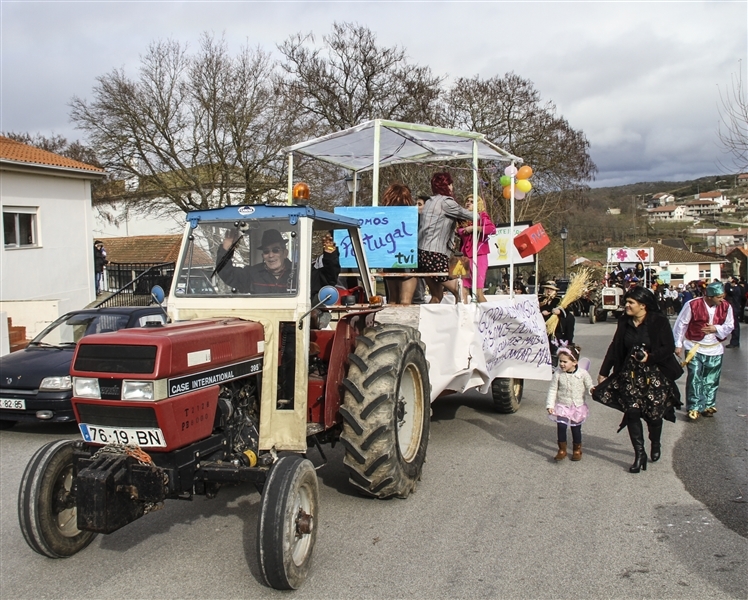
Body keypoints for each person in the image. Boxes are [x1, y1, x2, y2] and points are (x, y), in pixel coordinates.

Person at [595, 287, 683, 473]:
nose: (626, 305)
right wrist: (604, 370)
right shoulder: (624, 321)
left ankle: (655, 442)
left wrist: (649, 357)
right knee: (632, 412)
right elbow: (615, 346)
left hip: (655, 375)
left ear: (643, 305)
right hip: (630, 375)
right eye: (626, 302)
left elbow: (668, 347)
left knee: (654, 416)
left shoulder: (658, 321)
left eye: (630, 303)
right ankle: (639, 454)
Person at [672, 281, 735, 420]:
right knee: (695, 377)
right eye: (719, 297)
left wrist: (716, 329)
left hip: (715, 348)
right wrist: (678, 344)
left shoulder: (726, 306)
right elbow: (681, 324)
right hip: (695, 346)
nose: (722, 299)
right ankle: (694, 407)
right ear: (710, 296)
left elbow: (730, 325)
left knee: (711, 379)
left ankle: (708, 404)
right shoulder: (692, 305)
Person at [418, 172, 473, 303]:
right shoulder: (447, 202)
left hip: (422, 254)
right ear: (447, 185)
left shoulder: (429, 202)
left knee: (437, 296)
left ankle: (428, 323)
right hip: (435, 255)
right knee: (461, 291)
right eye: (451, 184)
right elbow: (472, 216)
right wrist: (480, 213)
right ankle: (463, 322)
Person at [546, 344, 593, 462]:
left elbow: (589, 385)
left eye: (565, 362)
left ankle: (577, 450)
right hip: (563, 405)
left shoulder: (582, 374)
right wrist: (550, 405)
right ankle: (562, 450)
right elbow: (552, 390)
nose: (561, 364)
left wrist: (592, 390)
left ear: (574, 362)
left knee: (575, 429)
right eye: (560, 361)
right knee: (561, 427)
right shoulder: (558, 374)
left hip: (577, 406)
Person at [216, 228, 294, 294]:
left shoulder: (297, 273)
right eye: (266, 251)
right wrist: (226, 249)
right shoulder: (253, 274)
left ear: (285, 253)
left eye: (275, 250)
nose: (271, 255)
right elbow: (226, 273)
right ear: (263, 256)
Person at [381, 183, 417, 304]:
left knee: (393, 300)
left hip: (390, 258)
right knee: (404, 302)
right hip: (407, 258)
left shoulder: (384, 216)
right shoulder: (411, 215)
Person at [456, 195, 496, 303]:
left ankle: (489, 317)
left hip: (479, 255)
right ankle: (463, 316)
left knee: (478, 293)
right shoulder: (462, 218)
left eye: (472, 201)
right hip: (463, 256)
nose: (468, 203)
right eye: (467, 201)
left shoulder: (482, 216)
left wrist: (474, 228)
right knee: (460, 291)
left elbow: (492, 230)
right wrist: (461, 230)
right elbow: (457, 231)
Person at [725, 276, 742, 347]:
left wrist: (728, 283)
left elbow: (727, 289)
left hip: (735, 308)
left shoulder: (736, 288)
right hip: (733, 308)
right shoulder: (735, 288)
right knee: (733, 325)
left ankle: (735, 342)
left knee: (735, 326)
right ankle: (734, 341)